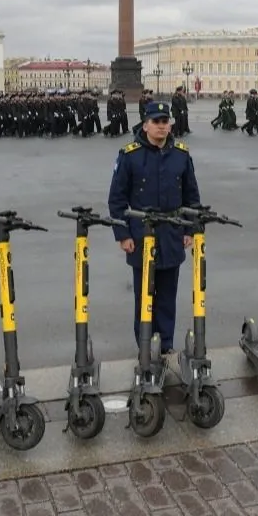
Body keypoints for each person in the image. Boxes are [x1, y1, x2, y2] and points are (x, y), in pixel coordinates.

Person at [108, 101, 201, 356]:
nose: (162, 126)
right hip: (141, 234)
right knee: (144, 295)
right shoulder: (130, 155)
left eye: (165, 122)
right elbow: (116, 199)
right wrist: (123, 234)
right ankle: (146, 346)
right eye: (156, 122)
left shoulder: (181, 154)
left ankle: (167, 345)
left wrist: (190, 231)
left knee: (168, 295)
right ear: (146, 124)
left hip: (172, 232)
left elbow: (192, 197)